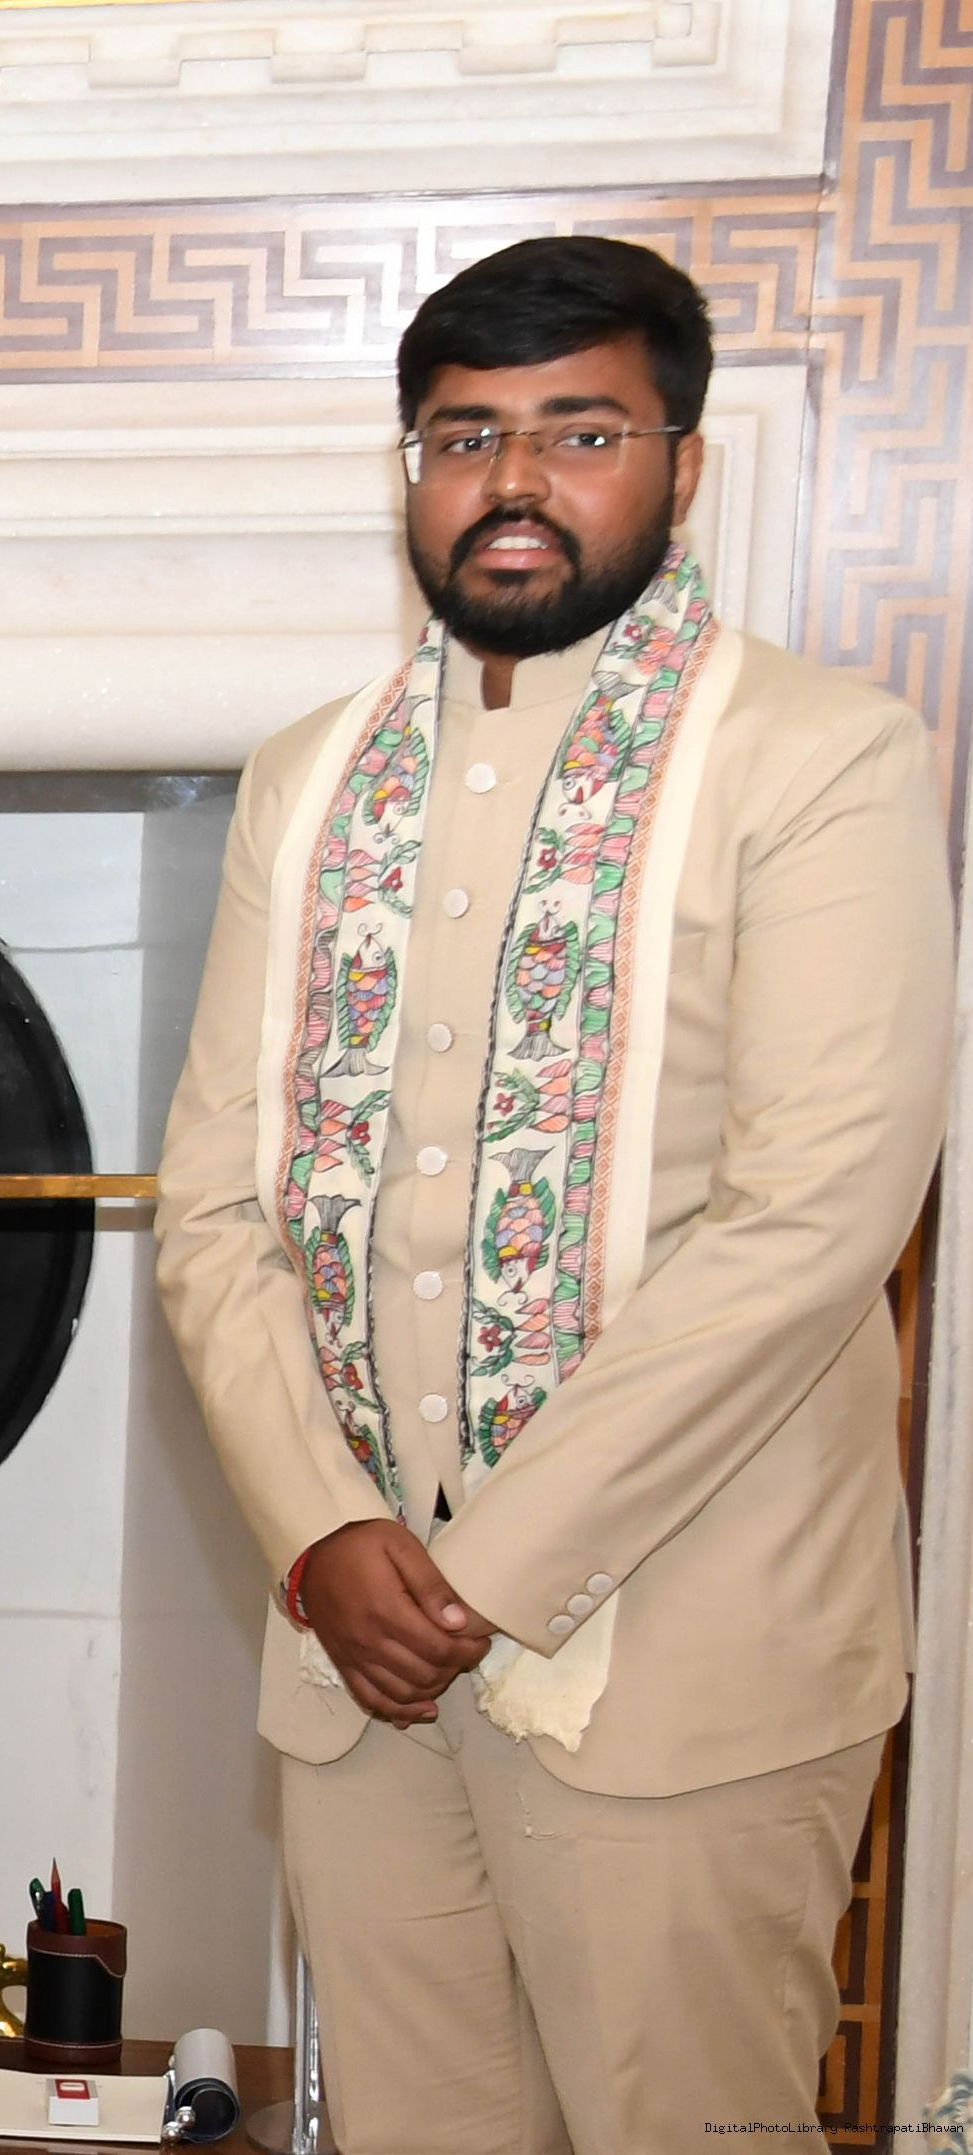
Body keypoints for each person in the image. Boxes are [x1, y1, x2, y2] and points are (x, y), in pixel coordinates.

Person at [156, 237, 950, 2152]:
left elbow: (811, 1222)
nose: (511, 482)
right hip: (354, 1661)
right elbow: (210, 1213)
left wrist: (481, 1574)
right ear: (411, 471)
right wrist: (322, 1538)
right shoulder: (306, 781)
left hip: (689, 1653)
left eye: (579, 432)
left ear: (683, 465)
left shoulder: (816, 757)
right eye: (463, 438)